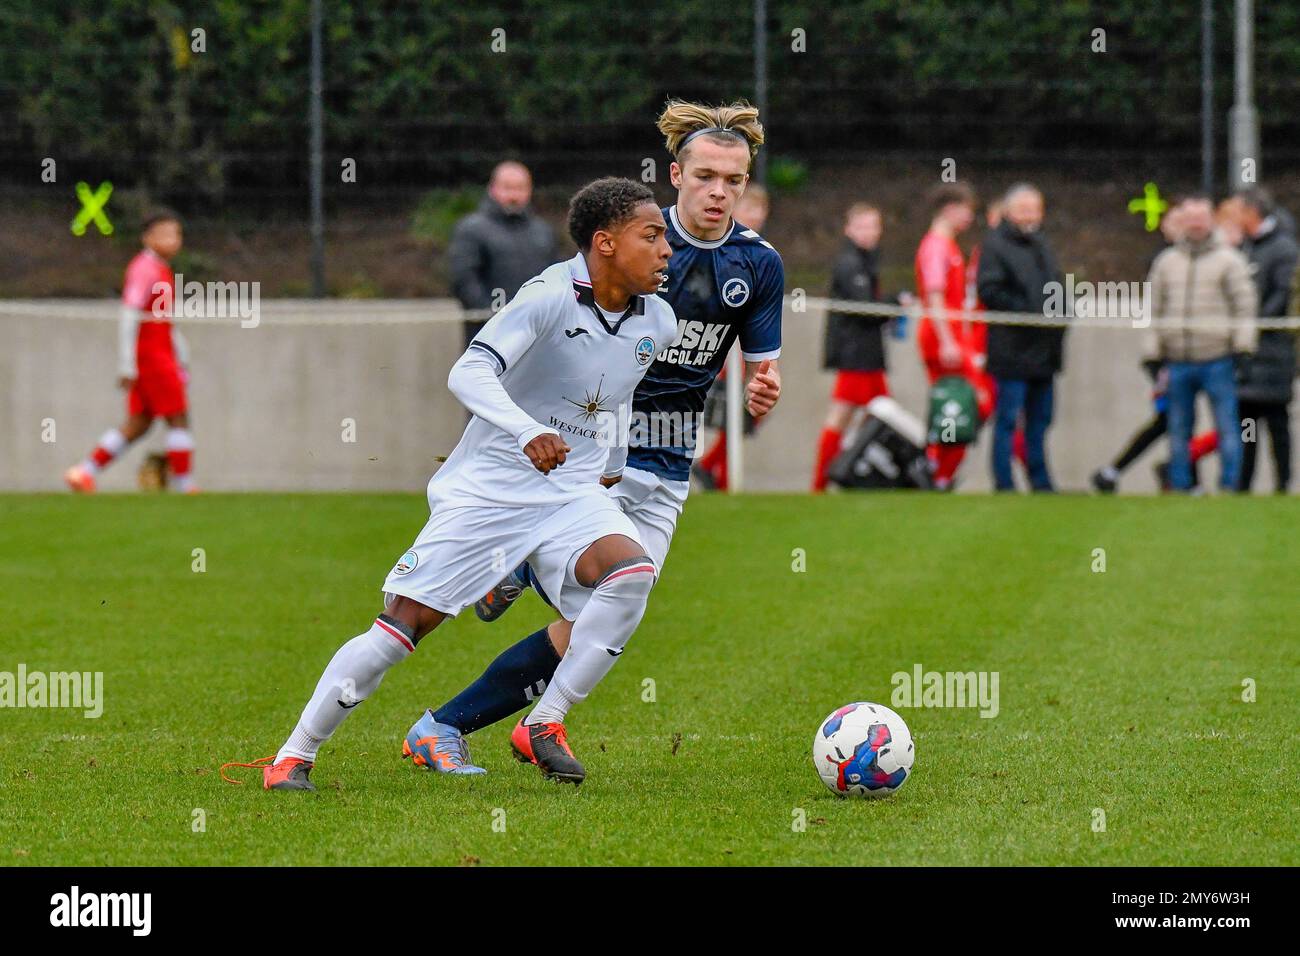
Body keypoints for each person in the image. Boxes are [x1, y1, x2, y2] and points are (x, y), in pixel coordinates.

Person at [234, 179, 677, 790]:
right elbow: (468, 370)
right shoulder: (547, 297)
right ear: (604, 244)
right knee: (401, 628)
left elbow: (617, 395)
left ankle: (544, 722)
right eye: (651, 237)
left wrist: (613, 462)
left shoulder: (660, 320)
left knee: (631, 574)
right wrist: (526, 432)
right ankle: (294, 755)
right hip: (491, 492)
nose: (666, 250)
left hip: (572, 493)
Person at [407, 99, 783, 775]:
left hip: (670, 462)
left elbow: (762, 369)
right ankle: (536, 699)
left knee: (605, 622)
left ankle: (444, 725)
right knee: (612, 595)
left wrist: (764, 388)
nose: (719, 191)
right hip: (595, 458)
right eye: (706, 176)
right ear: (677, 174)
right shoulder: (630, 239)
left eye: (734, 179)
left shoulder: (758, 266)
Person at [64, 212, 196, 494]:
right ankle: (186, 485)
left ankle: (83, 472)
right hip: (151, 357)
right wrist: (127, 364)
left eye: (177, 234)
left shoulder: (162, 269)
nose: (173, 240)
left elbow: (161, 318)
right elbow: (129, 314)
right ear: (147, 237)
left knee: (140, 423)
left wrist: (181, 350)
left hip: (160, 353)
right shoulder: (144, 268)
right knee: (178, 416)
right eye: (166, 234)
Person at [1143, 195, 1257, 492]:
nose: (1195, 224)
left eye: (1201, 217)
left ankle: (1229, 487)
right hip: (1178, 360)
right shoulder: (1167, 262)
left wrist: (1244, 348)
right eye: (1190, 217)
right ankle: (1181, 487)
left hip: (1217, 358)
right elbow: (1153, 309)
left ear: (1210, 220)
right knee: (1178, 428)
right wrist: (1152, 352)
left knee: (1227, 428)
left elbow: (1244, 307)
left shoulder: (1229, 260)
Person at [976, 184, 1066, 492]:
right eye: (1024, 209)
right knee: (1007, 421)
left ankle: (1040, 482)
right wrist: (1030, 313)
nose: (1030, 215)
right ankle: (1004, 484)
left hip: (1045, 352)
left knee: (1041, 422)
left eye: (1035, 208)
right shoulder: (995, 245)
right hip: (1012, 351)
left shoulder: (1043, 244)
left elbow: (1055, 285)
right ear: (1008, 212)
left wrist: (1061, 314)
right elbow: (989, 291)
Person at [693, 183, 772, 489]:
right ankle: (716, 471)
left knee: (753, 406)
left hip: (749, 341)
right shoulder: (719, 243)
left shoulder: (759, 248)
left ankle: (714, 468)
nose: (757, 216)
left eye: (761, 210)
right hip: (723, 341)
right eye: (750, 208)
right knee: (740, 405)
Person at [915, 182, 990, 489]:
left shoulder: (948, 245)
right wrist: (947, 340)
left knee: (960, 402)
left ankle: (937, 469)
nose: (969, 219)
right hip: (943, 336)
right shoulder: (936, 246)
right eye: (966, 211)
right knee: (972, 401)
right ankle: (936, 468)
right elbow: (934, 297)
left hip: (953, 335)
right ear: (949, 208)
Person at [813, 203, 891, 491]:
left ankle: (849, 472)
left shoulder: (866, 260)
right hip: (855, 356)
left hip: (867, 357)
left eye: (874, 226)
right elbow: (864, 308)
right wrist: (894, 306)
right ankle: (821, 483)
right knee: (842, 417)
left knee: (879, 416)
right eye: (863, 226)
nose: (870, 232)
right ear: (849, 229)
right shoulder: (849, 263)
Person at [447, 160, 562, 349]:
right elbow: (464, 280)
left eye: (520, 188)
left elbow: (557, 277)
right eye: (507, 187)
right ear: (492, 189)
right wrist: (495, 315)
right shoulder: (472, 230)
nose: (514, 195)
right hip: (488, 337)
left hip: (538, 336)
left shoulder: (543, 232)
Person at [1234, 187, 1297, 493]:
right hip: (1249, 355)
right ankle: (1243, 485)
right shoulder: (1246, 248)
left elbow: (1283, 295)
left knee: (1277, 423)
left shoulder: (1283, 248)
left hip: (1274, 352)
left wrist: (1255, 325)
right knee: (1247, 424)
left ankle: (1282, 484)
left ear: (1252, 212)